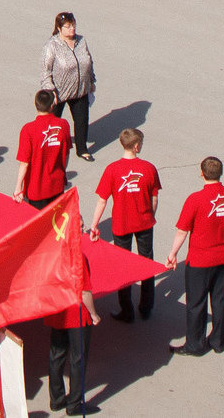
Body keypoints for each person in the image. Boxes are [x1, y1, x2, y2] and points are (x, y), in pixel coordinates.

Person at [171, 156, 224, 355]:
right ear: (220, 174)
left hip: (200, 261)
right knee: (220, 300)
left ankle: (195, 344)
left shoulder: (195, 199)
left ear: (201, 173)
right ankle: (218, 341)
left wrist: (173, 253)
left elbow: (182, 231)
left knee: (196, 303)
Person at [94, 129, 160, 322]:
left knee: (122, 266)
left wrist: (95, 224)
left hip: (121, 224)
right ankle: (146, 307)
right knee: (146, 263)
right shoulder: (149, 168)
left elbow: (102, 200)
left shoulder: (112, 169)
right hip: (144, 223)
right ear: (137, 146)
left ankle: (126, 309)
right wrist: (150, 215)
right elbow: (154, 198)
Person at [39, 13, 96, 159]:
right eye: (68, 26)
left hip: (79, 89)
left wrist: (91, 81)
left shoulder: (81, 41)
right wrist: (51, 92)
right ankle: (48, 149)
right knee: (52, 123)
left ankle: (82, 149)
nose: (72, 29)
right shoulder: (52, 45)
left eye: (74, 25)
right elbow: (45, 71)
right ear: (59, 28)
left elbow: (89, 62)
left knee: (82, 120)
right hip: (59, 92)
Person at [14, 91, 72, 208]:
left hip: (36, 189)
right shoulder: (63, 125)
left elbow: (24, 163)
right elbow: (66, 154)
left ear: (36, 105)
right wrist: (62, 172)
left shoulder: (28, 130)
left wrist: (18, 187)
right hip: (56, 185)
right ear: (52, 105)